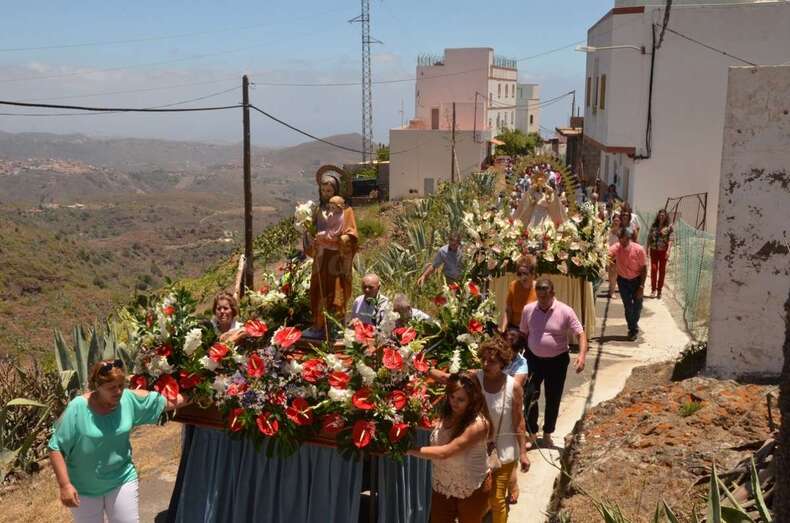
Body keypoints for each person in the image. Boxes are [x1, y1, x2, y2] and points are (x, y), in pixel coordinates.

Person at [48, 360, 188, 523]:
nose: (118, 392)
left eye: (121, 385)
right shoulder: (78, 408)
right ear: (97, 386)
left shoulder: (128, 400)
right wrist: (65, 485)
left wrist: (203, 392)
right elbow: (56, 447)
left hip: (121, 479)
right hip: (84, 488)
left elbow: (165, 402)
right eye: (111, 388)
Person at [407, 374, 492, 523]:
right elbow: (430, 425)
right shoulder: (446, 412)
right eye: (452, 397)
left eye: (461, 399)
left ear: (472, 400)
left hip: (471, 489)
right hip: (442, 485)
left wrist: (406, 449)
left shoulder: (477, 425)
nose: (454, 403)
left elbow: (445, 452)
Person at [520, 278, 587, 447]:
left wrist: (582, 355)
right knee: (530, 395)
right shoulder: (528, 310)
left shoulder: (565, 311)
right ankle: (532, 433)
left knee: (553, 396)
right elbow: (522, 334)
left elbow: (580, 333)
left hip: (557, 360)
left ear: (553, 294)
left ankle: (548, 432)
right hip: (533, 359)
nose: (542, 301)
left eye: (545, 297)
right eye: (539, 296)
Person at [475, 337, 530, 523]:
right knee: (478, 497)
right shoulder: (475, 379)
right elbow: (448, 379)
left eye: (492, 361)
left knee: (497, 499)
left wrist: (523, 453)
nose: (486, 364)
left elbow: (519, 422)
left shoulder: (513, 387)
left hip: (505, 452)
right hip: (476, 451)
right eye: (483, 359)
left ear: (502, 363)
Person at [304, 168, 358, 338]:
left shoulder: (346, 211)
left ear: (336, 190)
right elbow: (311, 230)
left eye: (329, 190)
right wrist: (310, 236)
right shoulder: (318, 210)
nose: (326, 193)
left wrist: (342, 240)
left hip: (336, 258)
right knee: (318, 289)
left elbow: (352, 233)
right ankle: (318, 324)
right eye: (323, 190)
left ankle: (335, 327)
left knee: (336, 291)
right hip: (320, 257)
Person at [609, 228, 647, 341]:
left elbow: (644, 269)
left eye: (623, 239)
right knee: (628, 306)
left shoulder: (639, 250)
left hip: (636, 280)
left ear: (628, 238)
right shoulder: (617, 247)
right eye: (619, 239)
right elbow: (607, 253)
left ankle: (633, 324)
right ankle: (633, 329)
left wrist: (641, 286)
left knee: (637, 306)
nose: (621, 242)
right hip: (623, 281)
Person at [499, 256, 537, 332]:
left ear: (532, 274)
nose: (522, 277)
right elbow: (508, 311)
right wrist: (503, 330)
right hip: (514, 329)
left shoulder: (538, 288)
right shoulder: (513, 285)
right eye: (519, 274)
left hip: (532, 330)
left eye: (525, 274)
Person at [647, 209, 673, 299]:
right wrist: (646, 248)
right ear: (658, 216)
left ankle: (659, 290)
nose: (661, 217)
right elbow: (649, 237)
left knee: (662, 271)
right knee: (654, 270)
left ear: (665, 217)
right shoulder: (654, 226)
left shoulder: (669, 227)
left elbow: (671, 239)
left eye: (663, 215)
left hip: (663, 251)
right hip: (653, 250)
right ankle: (653, 290)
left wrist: (668, 250)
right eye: (660, 215)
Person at [606, 214, 623, 298]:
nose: (616, 222)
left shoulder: (621, 232)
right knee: (610, 273)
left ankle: (612, 292)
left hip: (618, 255)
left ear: (620, 222)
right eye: (615, 220)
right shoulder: (609, 231)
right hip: (609, 254)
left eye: (617, 220)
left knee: (614, 274)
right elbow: (606, 242)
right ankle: (610, 289)